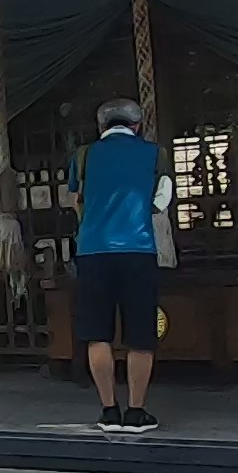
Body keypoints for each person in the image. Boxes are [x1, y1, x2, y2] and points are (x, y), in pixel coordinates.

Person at [67, 98, 172, 434]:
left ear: (101, 126)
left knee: (97, 334)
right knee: (141, 335)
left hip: (92, 251)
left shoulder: (83, 156)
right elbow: (162, 201)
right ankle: (136, 413)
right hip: (138, 250)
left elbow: (75, 200)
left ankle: (109, 411)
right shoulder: (155, 154)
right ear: (137, 126)